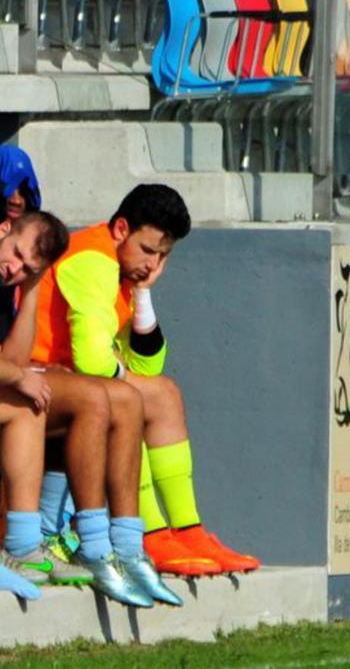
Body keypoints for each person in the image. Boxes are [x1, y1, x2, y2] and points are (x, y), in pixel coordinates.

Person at [0, 146, 180, 607]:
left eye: (29, 265)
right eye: (18, 256)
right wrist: (20, 374)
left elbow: (19, 361)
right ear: (2, 229)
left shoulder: (15, 278)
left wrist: (33, 285)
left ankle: (110, 545)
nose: (16, 267)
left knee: (119, 397)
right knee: (67, 394)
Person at [31, 183, 260, 576]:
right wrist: (125, 376)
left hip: (70, 385)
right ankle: (150, 533)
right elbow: (92, 360)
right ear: (121, 229)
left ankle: (187, 529)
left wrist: (142, 296)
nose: (152, 264)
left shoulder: (122, 271)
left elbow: (146, 367)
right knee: (138, 396)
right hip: (34, 379)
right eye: (149, 250)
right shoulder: (92, 259)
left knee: (155, 392)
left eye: (164, 256)